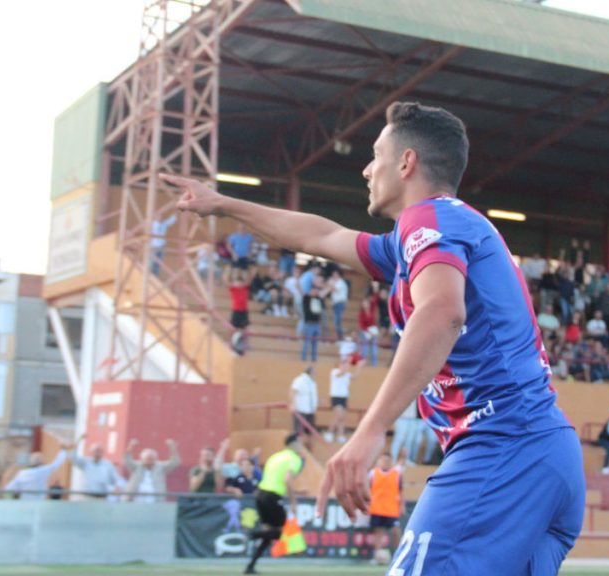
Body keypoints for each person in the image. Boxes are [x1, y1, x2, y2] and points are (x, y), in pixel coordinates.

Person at [165, 101, 583, 574]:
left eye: (376, 154)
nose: (366, 169)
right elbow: (321, 237)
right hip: (541, 452)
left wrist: (368, 432)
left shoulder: (427, 219)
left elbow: (443, 312)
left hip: (504, 447)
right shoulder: (430, 235)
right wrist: (223, 204)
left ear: (406, 163)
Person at [245, 434, 304, 575]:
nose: (302, 447)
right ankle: (253, 534)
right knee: (283, 533)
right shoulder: (294, 459)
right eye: (300, 443)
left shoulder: (275, 456)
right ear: (293, 444)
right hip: (272, 496)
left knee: (268, 534)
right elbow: (287, 480)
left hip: (260, 495)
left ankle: (250, 566)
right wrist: (294, 502)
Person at [368, 453, 405, 566]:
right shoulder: (373, 473)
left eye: (387, 460)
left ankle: (400, 555)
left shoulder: (396, 473)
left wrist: (402, 505)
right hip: (377, 508)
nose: (385, 462)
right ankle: (377, 556)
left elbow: (401, 490)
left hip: (391, 508)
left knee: (396, 531)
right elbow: (368, 488)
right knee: (378, 532)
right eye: (383, 460)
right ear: (379, 461)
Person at [5, 442, 71, 501]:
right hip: (39, 504)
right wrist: (63, 450)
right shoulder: (43, 470)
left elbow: (9, 489)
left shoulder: (22, 473)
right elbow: (57, 463)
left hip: (25, 505)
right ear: (41, 463)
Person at [123, 438, 180, 503]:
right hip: (136, 498)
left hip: (155, 499)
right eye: (147, 459)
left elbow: (174, 462)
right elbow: (127, 460)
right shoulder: (137, 467)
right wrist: (130, 447)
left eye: (152, 459)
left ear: (155, 459)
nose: (150, 461)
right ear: (142, 459)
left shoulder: (160, 467)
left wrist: (172, 448)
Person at [329, 357, 360, 443]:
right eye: (344, 364)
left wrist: (359, 366)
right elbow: (340, 374)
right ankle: (330, 432)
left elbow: (355, 377)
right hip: (336, 397)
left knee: (343, 418)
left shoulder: (347, 374)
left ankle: (340, 435)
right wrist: (346, 367)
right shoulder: (334, 372)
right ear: (340, 365)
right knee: (339, 416)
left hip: (344, 397)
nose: (346, 366)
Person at [289, 366, 318, 439]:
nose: (315, 375)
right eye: (314, 373)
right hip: (301, 411)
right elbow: (293, 391)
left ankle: (308, 449)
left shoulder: (312, 382)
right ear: (310, 373)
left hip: (310, 412)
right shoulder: (300, 380)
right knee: (298, 433)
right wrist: (293, 404)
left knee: (309, 433)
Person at [329, 269, 349, 339]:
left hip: (340, 304)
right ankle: (340, 336)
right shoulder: (337, 282)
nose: (334, 276)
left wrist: (331, 283)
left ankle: (340, 337)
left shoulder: (340, 282)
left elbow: (335, 289)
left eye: (335, 274)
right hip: (336, 304)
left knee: (337, 321)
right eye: (333, 274)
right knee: (337, 321)